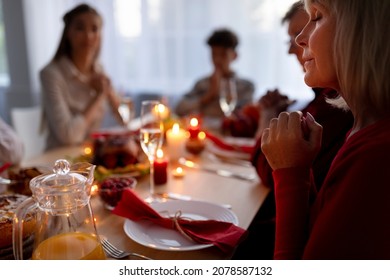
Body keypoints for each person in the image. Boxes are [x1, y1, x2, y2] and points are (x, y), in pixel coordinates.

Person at [261, 0, 390, 259]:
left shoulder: (377, 156)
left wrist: (291, 174)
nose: (299, 39)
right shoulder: (359, 133)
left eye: (317, 17)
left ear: (362, 32)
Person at [232, 1, 353, 259]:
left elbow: (269, 167)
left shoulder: (338, 110)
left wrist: (266, 116)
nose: (296, 43)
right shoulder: (325, 100)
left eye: (317, 18)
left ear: (354, 33)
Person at [40, 3, 124, 150]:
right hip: (60, 162)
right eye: (80, 28)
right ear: (68, 33)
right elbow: (69, 135)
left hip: (91, 157)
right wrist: (99, 96)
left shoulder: (98, 69)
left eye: (94, 29)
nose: (88, 36)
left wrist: (109, 93)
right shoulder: (51, 74)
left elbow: (124, 120)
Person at [175, 28, 255, 120]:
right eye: (214, 54)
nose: (217, 60)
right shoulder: (202, 84)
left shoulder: (246, 87)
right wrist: (209, 95)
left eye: (223, 55)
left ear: (234, 55)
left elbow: (246, 117)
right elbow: (179, 109)